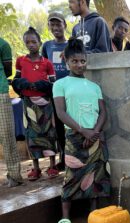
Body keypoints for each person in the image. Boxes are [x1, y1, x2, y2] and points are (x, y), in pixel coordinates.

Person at [53, 37, 111, 223]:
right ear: (66, 62)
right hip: (74, 136)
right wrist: (82, 131)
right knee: (71, 176)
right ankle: (65, 218)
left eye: (83, 61)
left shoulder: (94, 86)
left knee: (94, 176)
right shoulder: (60, 84)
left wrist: (93, 133)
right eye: (75, 61)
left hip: (94, 137)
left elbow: (103, 112)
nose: (79, 65)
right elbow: (61, 113)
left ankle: (93, 215)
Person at [12, 27, 58, 181]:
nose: (31, 44)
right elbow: (16, 81)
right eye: (28, 42)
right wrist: (20, 84)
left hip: (45, 104)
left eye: (34, 41)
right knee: (31, 135)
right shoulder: (20, 61)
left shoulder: (47, 63)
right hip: (28, 104)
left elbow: (53, 85)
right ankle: (36, 168)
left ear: (39, 43)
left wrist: (43, 86)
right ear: (25, 44)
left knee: (48, 133)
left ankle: (52, 166)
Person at [42, 12, 69, 170]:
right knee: (58, 127)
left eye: (58, 24)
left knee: (71, 124)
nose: (55, 27)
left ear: (65, 25)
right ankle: (63, 159)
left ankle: (73, 157)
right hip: (55, 92)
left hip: (70, 91)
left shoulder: (71, 44)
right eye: (52, 24)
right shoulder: (46, 46)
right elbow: (45, 66)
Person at [0, 37, 23, 187]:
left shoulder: (3, 44)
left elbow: (8, 70)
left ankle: (14, 176)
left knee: (7, 134)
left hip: (0, 91)